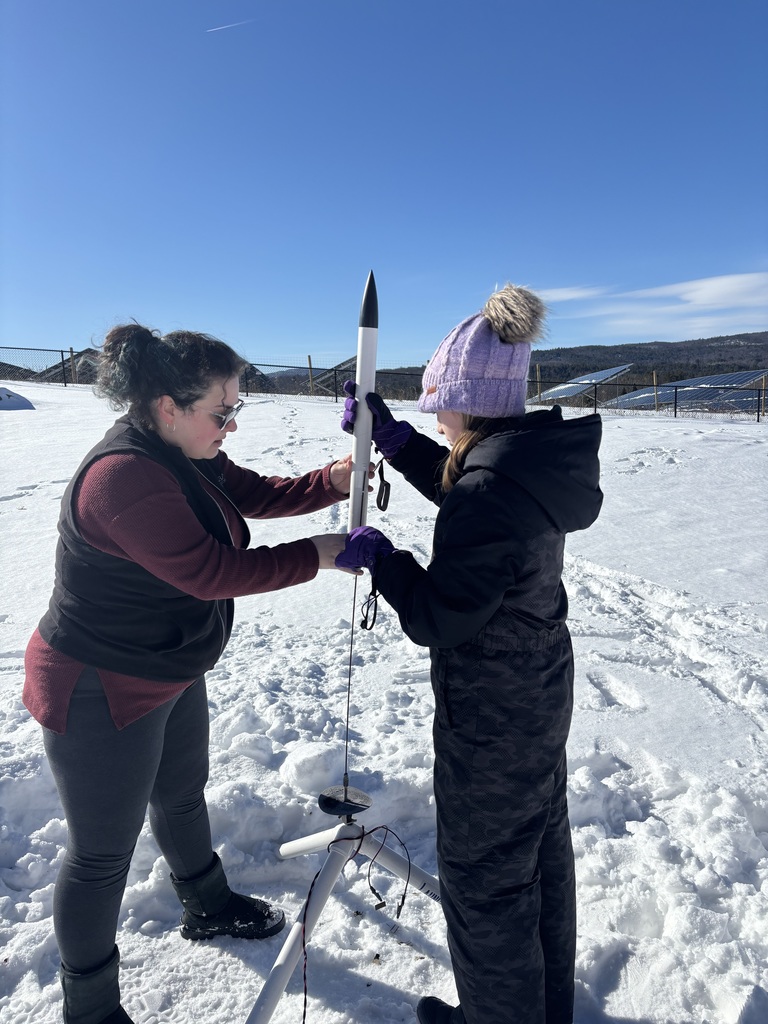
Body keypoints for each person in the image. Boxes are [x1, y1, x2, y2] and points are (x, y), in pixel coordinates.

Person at [23, 324, 356, 1024]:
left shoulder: (184, 449)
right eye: (221, 412)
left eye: (238, 409)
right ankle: (89, 1009)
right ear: (167, 406)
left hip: (166, 662)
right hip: (100, 685)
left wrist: (328, 481)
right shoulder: (124, 478)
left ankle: (206, 904)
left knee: (180, 794)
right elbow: (212, 572)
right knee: (100, 856)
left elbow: (252, 493)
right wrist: (318, 553)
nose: (230, 426)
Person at [337, 284, 603, 1024]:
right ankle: (542, 1008)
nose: (433, 415)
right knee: (537, 854)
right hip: (537, 696)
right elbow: (471, 496)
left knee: (487, 883)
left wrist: (384, 561)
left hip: (491, 718)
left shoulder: (490, 485)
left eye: (437, 405)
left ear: (470, 402)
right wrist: (395, 443)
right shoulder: (521, 463)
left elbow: (438, 615)